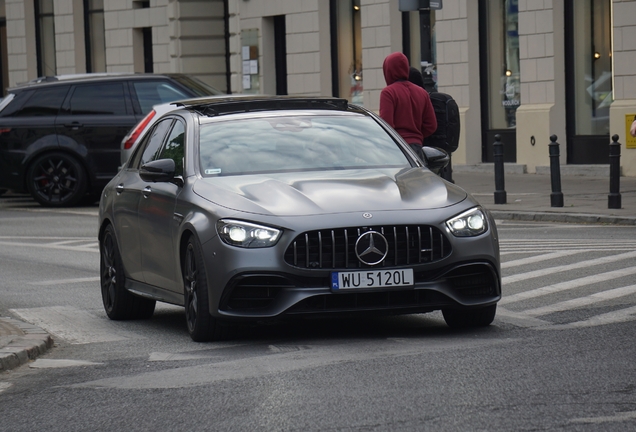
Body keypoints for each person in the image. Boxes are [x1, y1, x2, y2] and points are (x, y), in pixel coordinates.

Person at [379, 52, 437, 161]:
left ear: (388, 70)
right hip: (417, 148)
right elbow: (431, 125)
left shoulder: (388, 92)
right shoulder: (422, 93)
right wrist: (416, 136)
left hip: (397, 148)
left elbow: (386, 125)